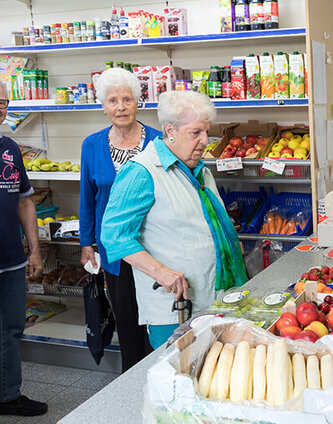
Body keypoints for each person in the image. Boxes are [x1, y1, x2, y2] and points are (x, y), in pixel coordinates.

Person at [101, 90, 248, 349]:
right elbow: (114, 236)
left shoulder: (200, 170)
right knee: (181, 377)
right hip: (177, 306)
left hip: (214, 296)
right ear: (170, 130)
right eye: (196, 133)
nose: (205, 141)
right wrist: (161, 273)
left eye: (206, 132)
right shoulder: (141, 172)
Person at [0, 75, 47, 424]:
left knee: (10, 329)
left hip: (9, 259)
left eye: (1, 102)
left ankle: (7, 396)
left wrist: (33, 250)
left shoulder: (10, 149)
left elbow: (25, 202)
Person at [79, 67, 160, 372]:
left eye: (127, 99)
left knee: (157, 318)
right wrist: (86, 242)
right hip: (114, 249)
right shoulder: (91, 145)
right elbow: (88, 198)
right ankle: (132, 382)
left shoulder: (156, 141)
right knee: (127, 321)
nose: (121, 106)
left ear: (138, 102)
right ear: (103, 106)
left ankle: (160, 378)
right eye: (113, 100)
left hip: (153, 245)